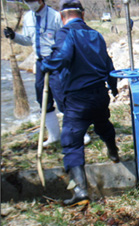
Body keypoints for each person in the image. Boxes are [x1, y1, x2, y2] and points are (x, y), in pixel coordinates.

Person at [41, 0, 120, 206]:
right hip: (100, 94)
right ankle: (113, 150)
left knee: (71, 143)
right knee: (103, 125)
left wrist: (46, 64)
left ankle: (81, 192)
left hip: (78, 99)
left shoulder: (66, 33)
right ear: (83, 15)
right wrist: (113, 88)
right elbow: (108, 64)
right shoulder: (96, 35)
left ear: (61, 17)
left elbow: (63, 57)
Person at [3, 0, 91, 147]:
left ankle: (80, 133)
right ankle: (54, 135)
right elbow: (27, 41)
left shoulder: (56, 16)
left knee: (63, 98)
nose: (30, 3)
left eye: (32, 1)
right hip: (39, 62)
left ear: (40, 0)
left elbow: (66, 38)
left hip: (57, 61)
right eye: (27, 1)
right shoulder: (28, 17)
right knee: (43, 99)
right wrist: (14, 36)